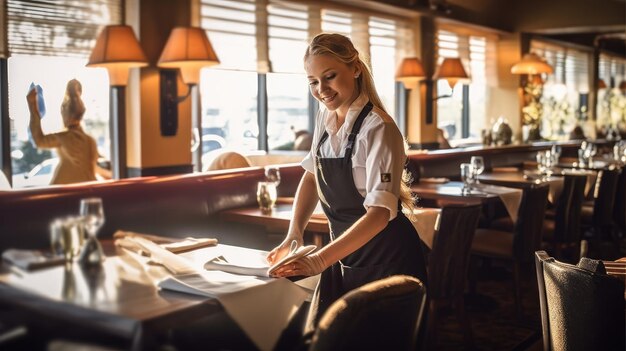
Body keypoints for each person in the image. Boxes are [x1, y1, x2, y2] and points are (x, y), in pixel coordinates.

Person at [267, 33, 428, 330]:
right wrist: (294, 233)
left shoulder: (379, 127)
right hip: (344, 254)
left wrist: (318, 261)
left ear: (355, 69)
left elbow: (379, 216)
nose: (321, 90)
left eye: (329, 77)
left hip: (388, 258)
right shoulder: (324, 118)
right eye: (313, 82)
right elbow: (312, 174)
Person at [27, 79, 109, 185]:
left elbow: (38, 141)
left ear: (66, 114)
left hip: (66, 193)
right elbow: (93, 168)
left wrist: (33, 108)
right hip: (88, 189)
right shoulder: (90, 140)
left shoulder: (64, 137)